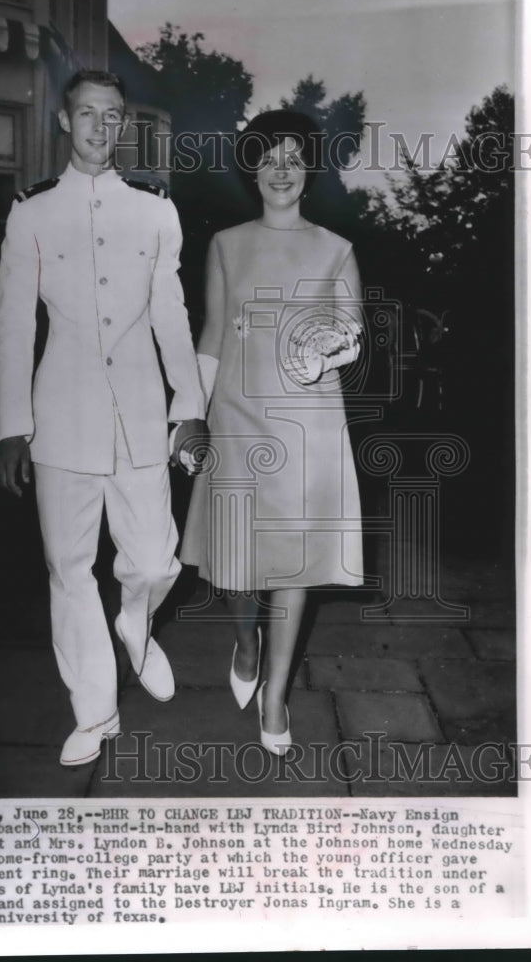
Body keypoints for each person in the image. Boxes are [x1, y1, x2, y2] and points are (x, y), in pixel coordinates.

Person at [0, 69, 207, 767]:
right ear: (63, 121)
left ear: (123, 126)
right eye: (87, 114)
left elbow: (173, 317)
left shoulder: (154, 210)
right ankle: (95, 709)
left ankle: (136, 626)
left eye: (113, 117)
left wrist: (190, 406)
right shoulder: (31, 212)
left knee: (152, 561)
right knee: (69, 567)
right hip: (60, 418)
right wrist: (9, 426)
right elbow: (12, 325)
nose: (100, 128)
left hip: (143, 414)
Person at [180, 110, 365, 756]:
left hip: (307, 422)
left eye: (293, 156)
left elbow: (352, 332)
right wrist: (191, 415)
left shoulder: (335, 248)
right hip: (233, 415)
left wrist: (327, 350)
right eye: (269, 155)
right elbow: (209, 334)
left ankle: (276, 694)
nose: (281, 168)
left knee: (292, 565)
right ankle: (246, 641)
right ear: (252, 167)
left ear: (308, 169)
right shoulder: (226, 244)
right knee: (233, 567)